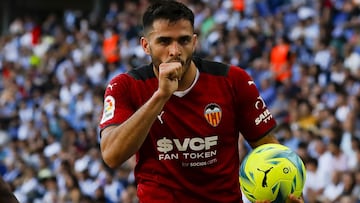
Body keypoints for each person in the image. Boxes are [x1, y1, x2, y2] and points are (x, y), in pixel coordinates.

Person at [99, 1, 304, 202]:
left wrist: (290, 195)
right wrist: (161, 96)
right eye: (164, 41)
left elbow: (270, 149)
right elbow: (111, 155)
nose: (175, 50)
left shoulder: (232, 80)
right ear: (146, 45)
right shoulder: (125, 86)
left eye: (184, 40)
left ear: (195, 42)